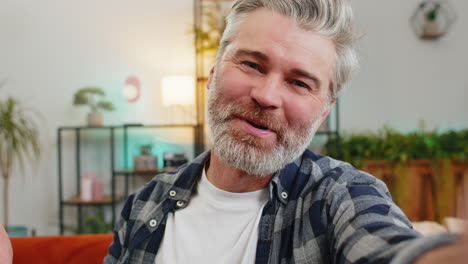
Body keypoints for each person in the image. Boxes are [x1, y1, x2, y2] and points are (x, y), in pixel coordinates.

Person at [104, 0, 466, 263]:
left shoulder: (340, 198)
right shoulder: (143, 205)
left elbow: (386, 248)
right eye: (251, 64)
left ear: (323, 111)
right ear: (214, 74)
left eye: (299, 83)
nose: (266, 96)